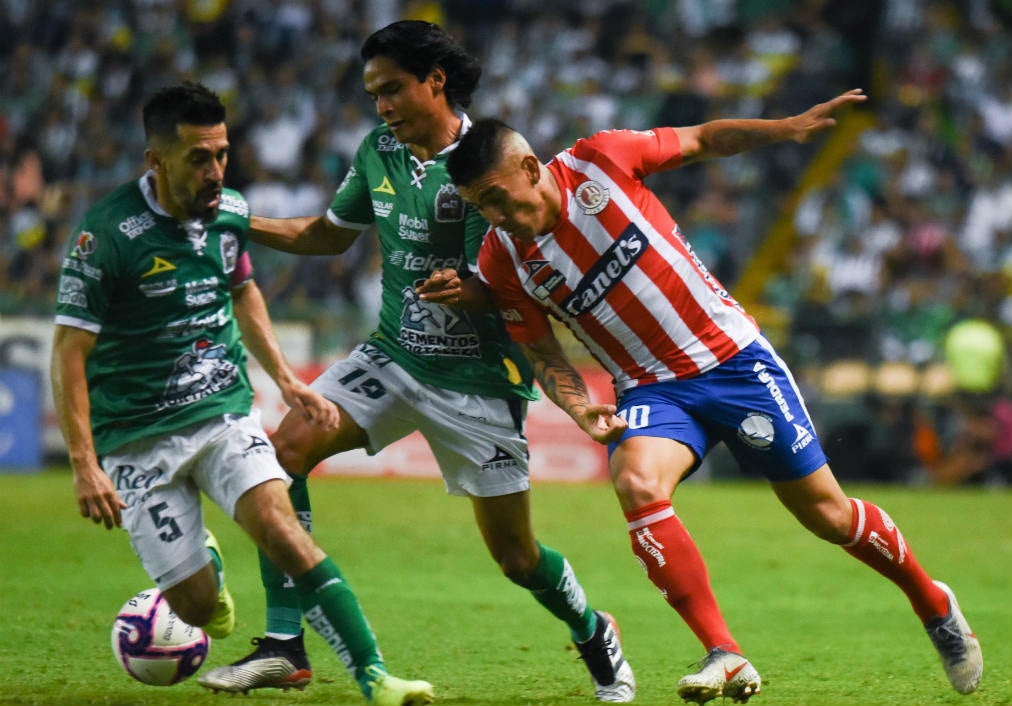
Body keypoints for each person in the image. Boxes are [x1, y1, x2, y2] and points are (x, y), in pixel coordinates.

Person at [422, 97, 984, 703]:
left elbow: (703, 139)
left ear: (531, 168)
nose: (501, 215)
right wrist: (581, 407)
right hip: (652, 388)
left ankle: (932, 602)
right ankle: (725, 651)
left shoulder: (600, 160)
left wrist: (784, 126)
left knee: (827, 515)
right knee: (636, 483)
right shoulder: (501, 259)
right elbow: (545, 355)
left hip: (734, 360)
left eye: (502, 197)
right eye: (485, 207)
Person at [196, 22, 635, 703]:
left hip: (479, 383)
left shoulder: (487, 160)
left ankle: (590, 627)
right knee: (280, 456)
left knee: (517, 559)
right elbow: (325, 236)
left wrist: (473, 293)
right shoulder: (379, 151)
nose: (383, 108)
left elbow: (513, 287)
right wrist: (230, 217)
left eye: (392, 90)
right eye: (374, 95)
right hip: (393, 357)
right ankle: (285, 645)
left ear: (435, 80)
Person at [50, 81, 434, 706]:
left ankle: (375, 677)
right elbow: (69, 349)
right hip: (136, 439)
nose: (215, 170)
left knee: (284, 532)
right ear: (156, 160)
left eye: (222, 154)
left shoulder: (228, 210)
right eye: (198, 157)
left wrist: (284, 377)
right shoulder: (107, 234)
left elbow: (242, 290)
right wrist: (83, 461)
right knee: (199, 608)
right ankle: (203, 565)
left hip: (222, 413)